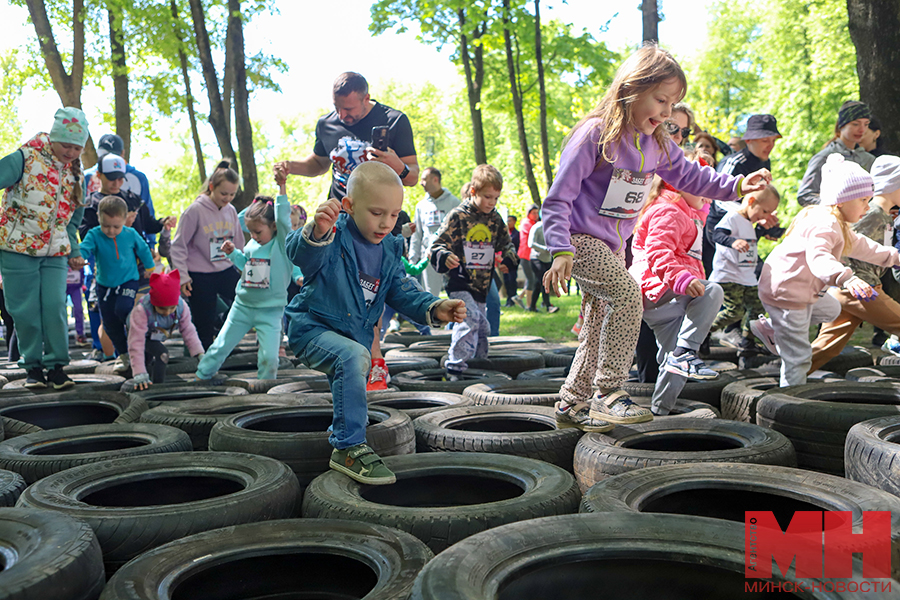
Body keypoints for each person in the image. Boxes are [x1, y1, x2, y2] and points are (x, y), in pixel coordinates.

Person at [540, 44, 771, 431]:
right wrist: (560, 249)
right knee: (629, 295)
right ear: (631, 89)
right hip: (580, 239)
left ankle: (570, 402)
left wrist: (736, 186)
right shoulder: (595, 135)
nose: (666, 113)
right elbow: (559, 196)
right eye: (660, 100)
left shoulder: (658, 143)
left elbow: (693, 177)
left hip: (615, 247)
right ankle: (609, 391)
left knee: (598, 323)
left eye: (673, 104)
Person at [286, 161, 466, 485]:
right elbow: (301, 257)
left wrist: (435, 307)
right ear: (349, 206)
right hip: (310, 328)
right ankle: (349, 447)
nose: (386, 222)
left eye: (394, 214)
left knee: (353, 360)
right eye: (377, 213)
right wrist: (316, 231)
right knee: (353, 357)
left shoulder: (388, 249)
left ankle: (347, 432)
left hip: (350, 336)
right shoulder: (334, 236)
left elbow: (401, 289)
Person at [754, 154, 899, 386]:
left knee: (831, 309)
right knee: (798, 358)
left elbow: (863, 246)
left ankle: (776, 327)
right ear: (841, 200)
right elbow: (819, 258)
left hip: (800, 290)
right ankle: (788, 401)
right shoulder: (825, 224)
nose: (867, 205)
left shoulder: (837, 222)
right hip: (787, 292)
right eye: (862, 200)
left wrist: (894, 257)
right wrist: (847, 279)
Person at [0, 107, 90, 389]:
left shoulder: (77, 174)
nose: (71, 152)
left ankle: (57, 367)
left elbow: (74, 220)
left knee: (54, 306)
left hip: (55, 251)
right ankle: (33, 367)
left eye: (77, 147)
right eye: (66, 145)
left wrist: (74, 249)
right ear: (53, 138)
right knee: (25, 310)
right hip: (18, 247)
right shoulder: (25, 158)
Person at [629, 155, 724, 416]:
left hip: (668, 301)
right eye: (705, 189)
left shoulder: (687, 214)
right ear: (681, 184)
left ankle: (659, 412)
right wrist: (683, 279)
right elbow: (658, 252)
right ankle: (683, 353)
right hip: (657, 288)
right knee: (712, 290)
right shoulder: (667, 211)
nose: (709, 197)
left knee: (677, 362)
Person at [197, 168, 296, 382]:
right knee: (220, 345)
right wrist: (233, 254)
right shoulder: (252, 245)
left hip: (270, 311)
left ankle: (265, 388)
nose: (253, 237)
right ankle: (202, 376)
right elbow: (246, 265)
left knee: (270, 357)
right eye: (250, 232)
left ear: (273, 227)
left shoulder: (281, 245)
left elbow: (284, 219)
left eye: (258, 232)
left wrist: (281, 187)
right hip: (242, 306)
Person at [806, 156, 900, 369]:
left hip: (855, 288)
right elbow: (845, 244)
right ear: (895, 184)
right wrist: (850, 279)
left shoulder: (884, 215)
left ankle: (791, 374)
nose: (864, 205)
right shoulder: (872, 213)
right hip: (859, 289)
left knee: (828, 344)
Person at [430, 165, 517, 378]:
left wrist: (508, 260)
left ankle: (479, 365)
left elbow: (508, 246)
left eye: (496, 198)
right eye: (487, 197)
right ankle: (455, 366)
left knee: (482, 325)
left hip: (482, 284)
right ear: (473, 192)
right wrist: (445, 256)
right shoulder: (457, 217)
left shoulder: (495, 220)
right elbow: (436, 246)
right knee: (468, 317)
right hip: (459, 281)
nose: (492, 202)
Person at [277, 71, 419, 200]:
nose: (341, 115)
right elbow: (319, 164)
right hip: (338, 214)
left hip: (378, 214)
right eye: (336, 107)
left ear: (366, 98)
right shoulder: (326, 124)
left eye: (348, 109)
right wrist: (290, 167)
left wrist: (399, 167)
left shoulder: (394, 120)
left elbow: (412, 178)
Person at [169, 161, 243, 349]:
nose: (227, 198)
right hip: (199, 274)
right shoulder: (195, 211)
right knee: (203, 322)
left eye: (232, 194)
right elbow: (178, 246)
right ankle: (203, 359)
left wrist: (243, 266)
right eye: (223, 194)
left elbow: (239, 242)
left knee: (247, 298)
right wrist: (183, 277)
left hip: (225, 269)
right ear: (211, 187)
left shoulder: (231, 210)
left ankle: (223, 330)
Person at [79, 195, 156, 373]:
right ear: (99, 218)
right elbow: (85, 247)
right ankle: (123, 354)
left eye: (116, 226)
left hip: (128, 281)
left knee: (123, 308)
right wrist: (80, 257)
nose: (111, 231)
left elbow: (144, 249)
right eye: (106, 226)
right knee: (109, 323)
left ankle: (139, 337)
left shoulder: (130, 234)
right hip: (104, 285)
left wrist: (150, 268)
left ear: (124, 220)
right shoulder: (95, 234)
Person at [709, 186, 781, 356]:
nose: (764, 217)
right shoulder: (733, 217)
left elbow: (752, 238)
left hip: (746, 276)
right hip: (729, 275)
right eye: (764, 211)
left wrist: (766, 230)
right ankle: (704, 331)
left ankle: (747, 342)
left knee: (757, 306)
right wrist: (732, 242)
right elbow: (717, 234)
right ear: (750, 201)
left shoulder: (749, 222)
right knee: (735, 311)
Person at [128, 269, 204, 390]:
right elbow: (136, 342)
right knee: (161, 354)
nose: (167, 312)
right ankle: (156, 389)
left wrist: (199, 353)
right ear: (154, 304)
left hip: (156, 334)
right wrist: (139, 372)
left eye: (171, 308)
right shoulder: (141, 311)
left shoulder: (182, 307)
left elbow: (189, 331)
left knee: (151, 359)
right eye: (162, 309)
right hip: (139, 334)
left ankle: (155, 384)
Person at [797, 101, 877, 207]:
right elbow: (805, 195)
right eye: (855, 124)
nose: (862, 129)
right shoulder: (824, 157)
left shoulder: (869, 160)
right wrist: (835, 206)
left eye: (866, 124)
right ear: (842, 125)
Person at [84, 133, 156, 245]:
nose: (116, 183)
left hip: (133, 249)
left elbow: (147, 215)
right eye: (105, 155)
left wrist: (150, 244)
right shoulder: (86, 178)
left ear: (122, 154)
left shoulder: (138, 178)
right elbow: (82, 221)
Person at [410, 167, 461, 298]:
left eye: (424, 179)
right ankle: (432, 318)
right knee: (430, 295)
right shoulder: (421, 206)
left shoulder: (454, 203)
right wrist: (413, 259)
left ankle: (457, 318)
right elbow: (417, 235)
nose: (421, 183)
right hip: (428, 257)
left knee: (456, 293)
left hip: (450, 257)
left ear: (435, 179)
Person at [526, 218, 558, 313]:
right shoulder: (537, 227)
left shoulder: (552, 228)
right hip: (536, 258)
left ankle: (535, 307)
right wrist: (545, 248)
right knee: (542, 281)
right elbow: (530, 243)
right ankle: (546, 306)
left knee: (542, 283)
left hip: (547, 259)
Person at [518, 205, 540, 309]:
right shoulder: (527, 223)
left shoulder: (534, 223)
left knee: (531, 278)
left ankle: (520, 297)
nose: (536, 215)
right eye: (534, 213)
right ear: (529, 213)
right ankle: (529, 305)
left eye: (537, 213)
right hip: (525, 254)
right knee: (531, 279)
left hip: (531, 255)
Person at [504, 215, 523, 307]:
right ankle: (509, 299)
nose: (508, 222)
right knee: (506, 280)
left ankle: (513, 299)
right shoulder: (505, 233)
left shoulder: (517, 234)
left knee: (512, 280)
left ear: (514, 222)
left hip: (513, 261)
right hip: (505, 261)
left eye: (510, 221)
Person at [66, 265, 87, 346]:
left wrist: (81, 282)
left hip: (76, 287)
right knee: (60, 309)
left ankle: (80, 333)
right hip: (63, 286)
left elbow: (82, 272)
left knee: (78, 309)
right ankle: (62, 332)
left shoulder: (77, 258)